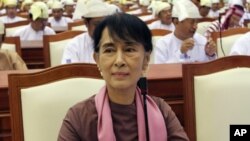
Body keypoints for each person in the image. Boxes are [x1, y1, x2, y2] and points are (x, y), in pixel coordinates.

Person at [58, 13, 189, 141]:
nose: (119, 61)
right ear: (97, 60)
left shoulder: (161, 110)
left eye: (129, 49)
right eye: (109, 50)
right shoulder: (78, 118)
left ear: (146, 60)